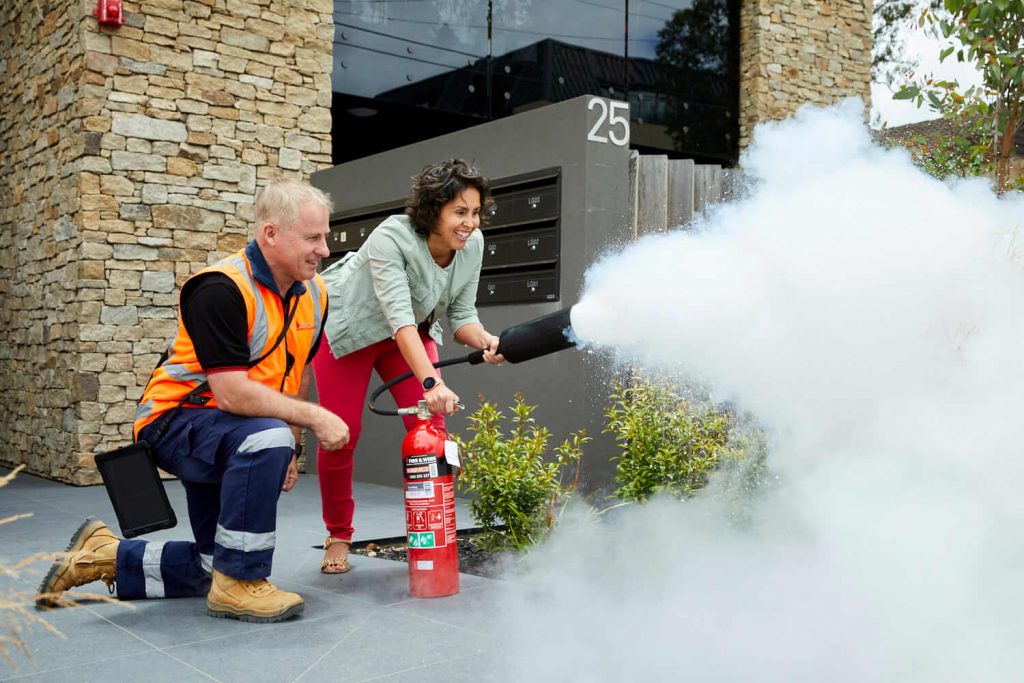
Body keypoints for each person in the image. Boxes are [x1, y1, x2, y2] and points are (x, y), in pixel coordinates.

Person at [36, 179, 350, 623]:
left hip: (236, 429)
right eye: (313, 238)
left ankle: (103, 556)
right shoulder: (219, 288)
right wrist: (309, 421)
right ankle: (240, 586)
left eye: (325, 237)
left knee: (213, 563)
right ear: (271, 234)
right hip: (176, 422)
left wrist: (292, 446)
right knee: (264, 443)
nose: (323, 250)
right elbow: (231, 391)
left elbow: (293, 372)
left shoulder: (314, 294)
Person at [313, 158, 504, 574]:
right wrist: (432, 381)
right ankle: (339, 534)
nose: (469, 223)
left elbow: (462, 315)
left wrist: (487, 339)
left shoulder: (472, 245)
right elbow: (397, 317)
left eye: (474, 212)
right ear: (433, 210)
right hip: (349, 331)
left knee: (433, 431)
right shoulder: (392, 236)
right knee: (341, 434)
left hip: (408, 334)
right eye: (459, 212)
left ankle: (436, 530)